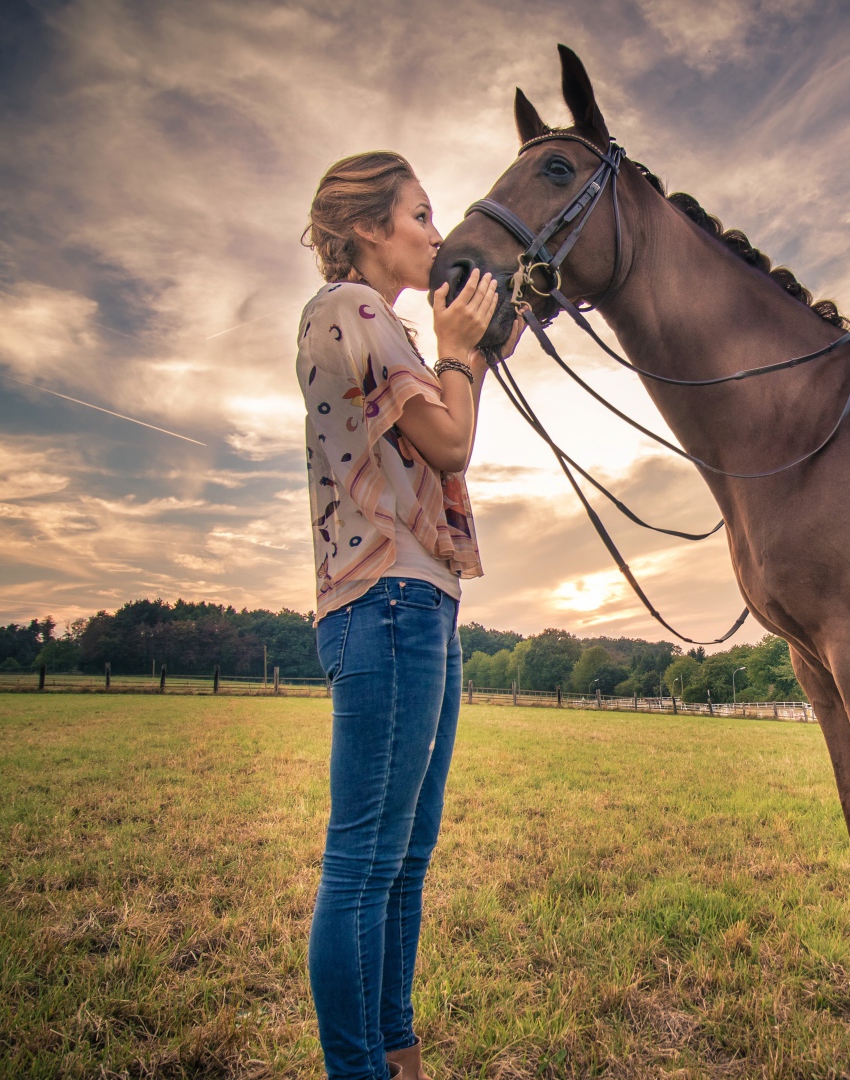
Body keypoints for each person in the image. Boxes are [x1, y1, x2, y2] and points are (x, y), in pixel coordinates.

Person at [296, 151, 515, 1080]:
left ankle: (399, 1055)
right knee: (363, 867)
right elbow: (453, 438)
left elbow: (442, 436)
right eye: (421, 216)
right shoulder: (351, 310)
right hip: (387, 604)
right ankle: (360, 1070)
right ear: (372, 229)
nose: (437, 233)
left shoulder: (386, 329)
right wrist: (458, 352)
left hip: (420, 603)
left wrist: (461, 350)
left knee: (403, 862)